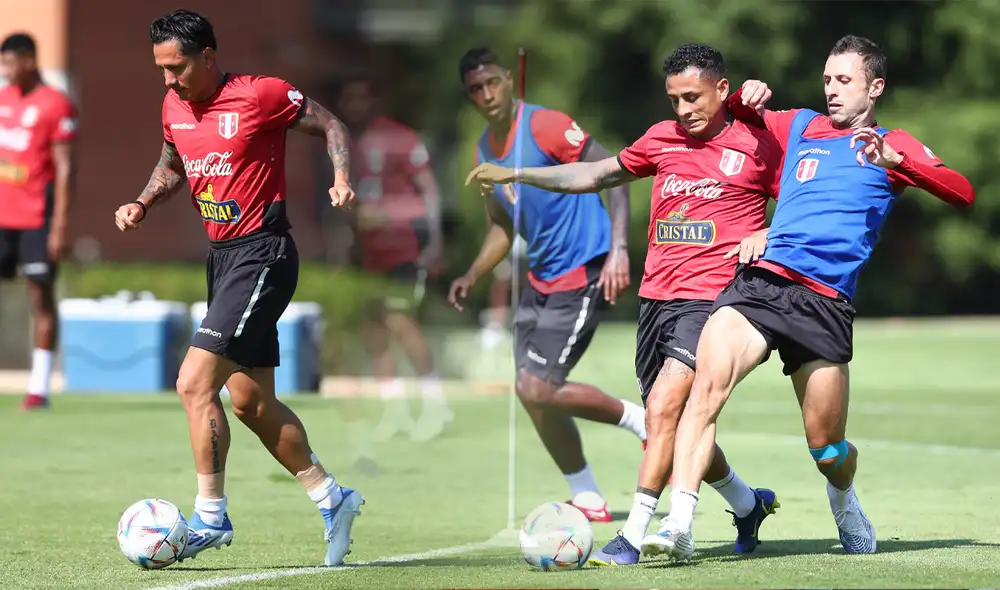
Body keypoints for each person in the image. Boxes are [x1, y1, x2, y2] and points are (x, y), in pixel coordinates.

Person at [661, 34, 975, 561]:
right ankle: (679, 523)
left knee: (827, 450)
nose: (831, 90)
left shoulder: (892, 143)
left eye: (844, 80)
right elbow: (739, 113)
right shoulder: (802, 124)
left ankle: (845, 500)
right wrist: (746, 96)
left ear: (874, 87)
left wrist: (899, 160)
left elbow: (962, 192)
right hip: (762, 283)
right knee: (705, 392)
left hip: (824, 303)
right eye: (827, 79)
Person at [466, 44, 780, 564]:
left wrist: (770, 232)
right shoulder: (662, 138)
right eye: (675, 99)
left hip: (714, 302)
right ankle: (747, 503)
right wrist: (517, 174)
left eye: (694, 97)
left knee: (661, 411)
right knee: (675, 425)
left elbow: (798, 200)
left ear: (723, 90)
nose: (683, 110)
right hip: (656, 299)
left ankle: (635, 535)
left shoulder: (756, 142)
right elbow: (593, 174)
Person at [112, 9, 364, 566]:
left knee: (191, 382)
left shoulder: (260, 95)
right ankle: (332, 497)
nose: (168, 79)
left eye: (176, 66)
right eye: (160, 68)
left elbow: (331, 124)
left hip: (264, 253)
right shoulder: (173, 103)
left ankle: (210, 517)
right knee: (250, 403)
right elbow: (173, 160)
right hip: (222, 260)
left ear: (208, 55)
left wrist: (341, 177)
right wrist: (144, 201)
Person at [449, 47, 645, 522]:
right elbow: (502, 226)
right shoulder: (483, 150)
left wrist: (619, 246)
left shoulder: (546, 125)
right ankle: (587, 496)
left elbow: (615, 174)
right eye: (476, 88)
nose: (487, 93)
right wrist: (472, 273)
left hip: (583, 268)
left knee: (537, 385)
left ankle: (645, 422)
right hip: (540, 279)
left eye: (493, 81)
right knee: (529, 390)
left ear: (507, 81)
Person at [334, 72, 453, 443]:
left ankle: (436, 404)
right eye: (348, 100)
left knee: (401, 321)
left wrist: (434, 241)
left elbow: (429, 190)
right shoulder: (345, 143)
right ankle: (396, 409)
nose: (355, 107)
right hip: (368, 254)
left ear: (374, 99)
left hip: (404, 247)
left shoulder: (400, 138)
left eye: (361, 98)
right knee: (374, 331)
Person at [0, 33, 76, 410]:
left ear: (29, 60)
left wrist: (60, 224)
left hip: (35, 219)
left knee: (39, 297)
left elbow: (64, 169)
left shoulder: (55, 104)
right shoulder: (2, 100)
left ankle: (39, 386)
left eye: (11, 63)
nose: (6, 71)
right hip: (2, 217)